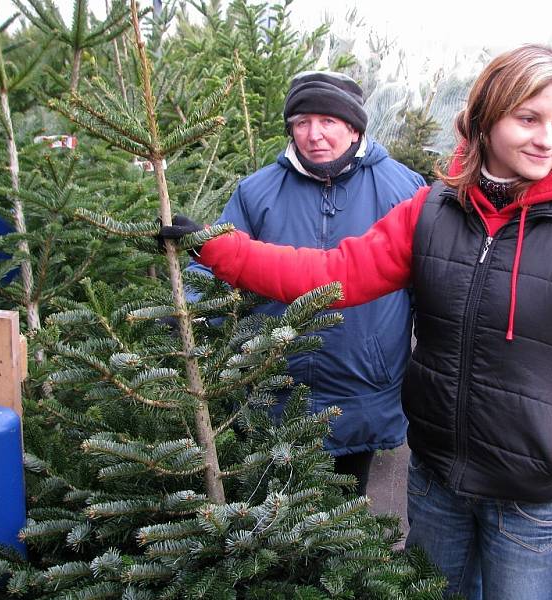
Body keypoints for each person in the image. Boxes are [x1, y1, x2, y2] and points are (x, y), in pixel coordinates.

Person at [162, 44, 552, 599]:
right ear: (485, 120)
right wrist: (219, 249)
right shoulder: (431, 211)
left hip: (531, 499)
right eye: (529, 119)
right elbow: (331, 272)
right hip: (437, 482)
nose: (548, 139)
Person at [179, 71, 425, 497]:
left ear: (353, 126)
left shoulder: (403, 190)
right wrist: (191, 313)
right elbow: (212, 267)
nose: (315, 135)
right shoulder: (258, 191)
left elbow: (429, 283)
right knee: (271, 514)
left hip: (361, 390)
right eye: (302, 122)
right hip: (275, 386)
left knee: (345, 512)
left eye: (328, 121)